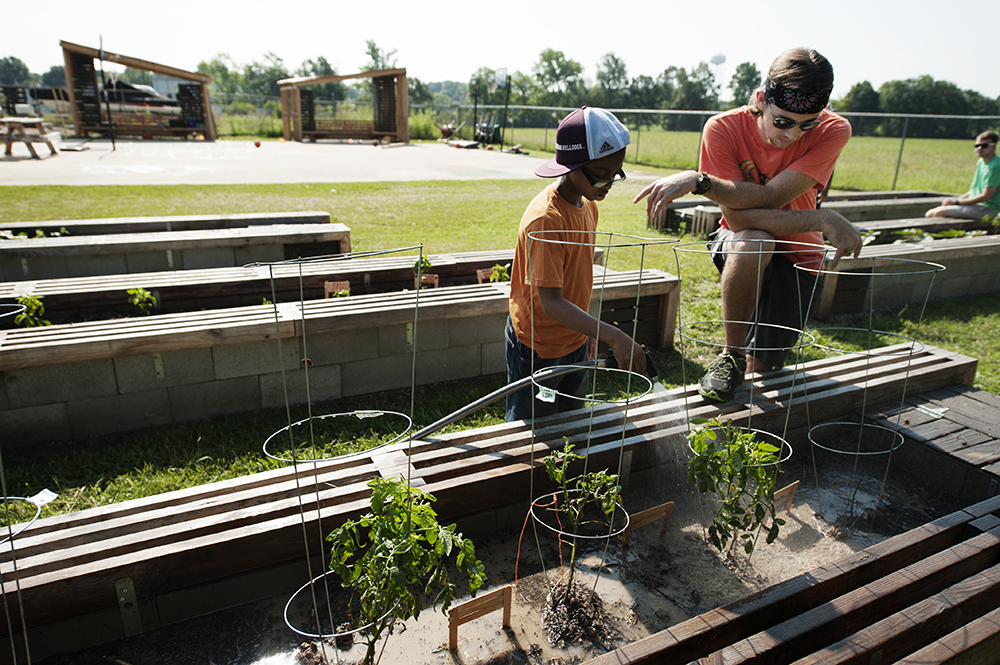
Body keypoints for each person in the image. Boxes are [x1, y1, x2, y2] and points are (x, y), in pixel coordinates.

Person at [634, 47, 862, 403]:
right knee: (754, 239)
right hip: (740, 240)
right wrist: (823, 217)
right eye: (783, 121)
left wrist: (704, 183)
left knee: (765, 376)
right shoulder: (723, 128)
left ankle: (742, 422)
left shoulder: (834, 129)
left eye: (808, 124)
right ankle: (730, 355)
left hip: (801, 254)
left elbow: (772, 196)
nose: (793, 135)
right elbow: (738, 218)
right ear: (760, 100)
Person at [506, 107, 646, 422]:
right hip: (539, 348)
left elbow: (577, 281)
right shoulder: (546, 220)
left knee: (570, 426)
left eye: (616, 173)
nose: (608, 182)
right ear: (571, 167)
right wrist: (613, 334)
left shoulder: (586, 205)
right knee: (533, 436)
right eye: (600, 174)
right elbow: (552, 302)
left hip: (575, 338)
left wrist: (589, 334)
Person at [925, 131, 1000, 222]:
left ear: (994, 146)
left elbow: (986, 197)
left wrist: (957, 202)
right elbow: (974, 190)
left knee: (938, 213)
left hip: (988, 210)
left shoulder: (995, 166)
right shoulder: (981, 162)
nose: (980, 148)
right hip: (976, 206)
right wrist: (957, 200)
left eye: (984, 145)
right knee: (930, 213)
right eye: (976, 146)